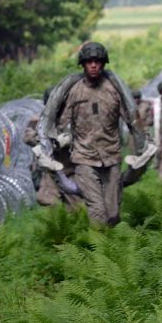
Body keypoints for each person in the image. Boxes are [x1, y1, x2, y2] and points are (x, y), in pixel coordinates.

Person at [55, 41, 131, 226]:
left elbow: (131, 118)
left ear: (104, 63)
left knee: (112, 214)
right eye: (89, 61)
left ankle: (111, 251)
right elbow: (61, 123)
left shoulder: (114, 90)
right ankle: (97, 251)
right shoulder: (74, 91)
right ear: (83, 64)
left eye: (97, 61)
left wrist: (144, 143)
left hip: (111, 158)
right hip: (84, 159)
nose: (94, 65)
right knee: (97, 211)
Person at [23, 88, 79, 208]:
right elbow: (28, 138)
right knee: (48, 202)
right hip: (49, 172)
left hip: (71, 170)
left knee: (76, 208)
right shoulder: (37, 121)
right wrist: (46, 141)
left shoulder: (73, 120)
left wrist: (68, 140)